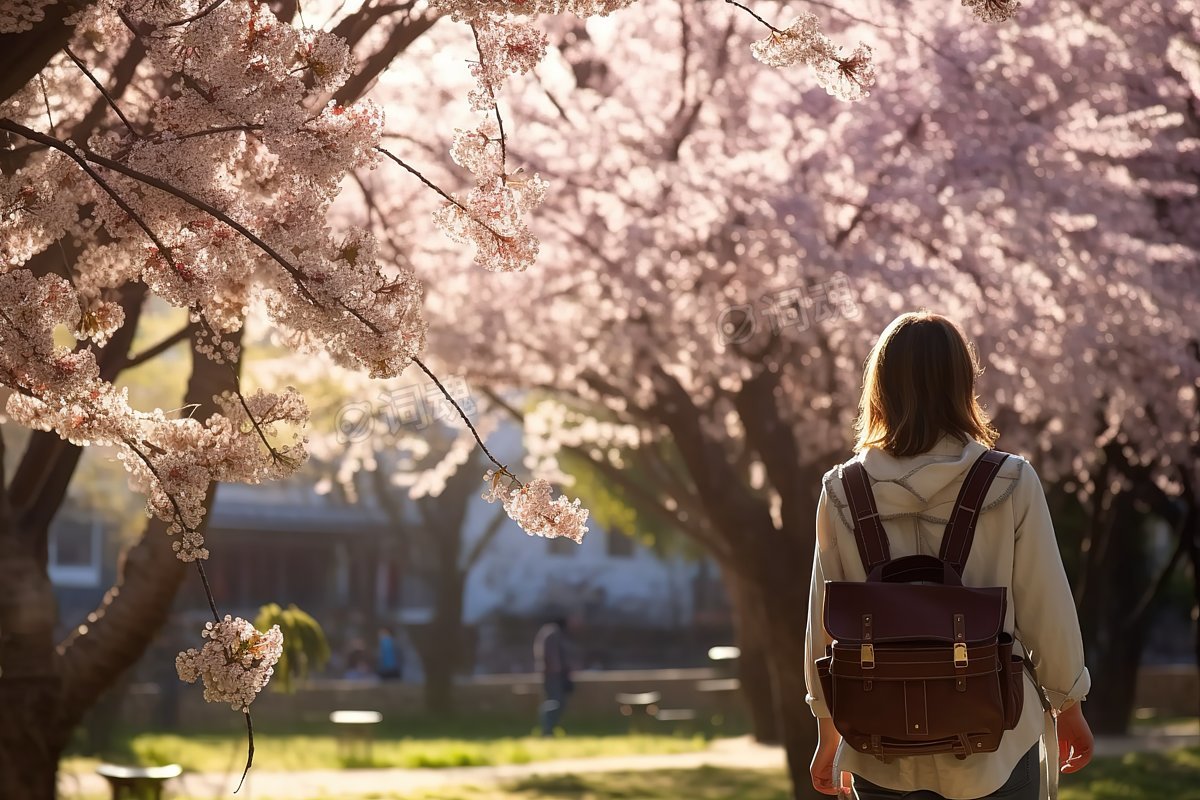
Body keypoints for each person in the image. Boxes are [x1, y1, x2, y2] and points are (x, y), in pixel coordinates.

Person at [805, 311, 1094, 800]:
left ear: (880, 387)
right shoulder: (1010, 481)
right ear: (962, 382)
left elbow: (824, 620)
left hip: (879, 739)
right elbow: (1047, 606)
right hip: (996, 739)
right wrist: (1069, 706)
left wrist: (828, 730)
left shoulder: (842, 491)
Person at [534, 614, 578, 736]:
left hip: (554, 674)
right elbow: (552, 656)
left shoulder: (550, 633)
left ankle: (550, 728)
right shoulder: (552, 633)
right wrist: (558, 670)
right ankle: (547, 730)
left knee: (556, 702)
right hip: (553, 674)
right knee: (554, 702)